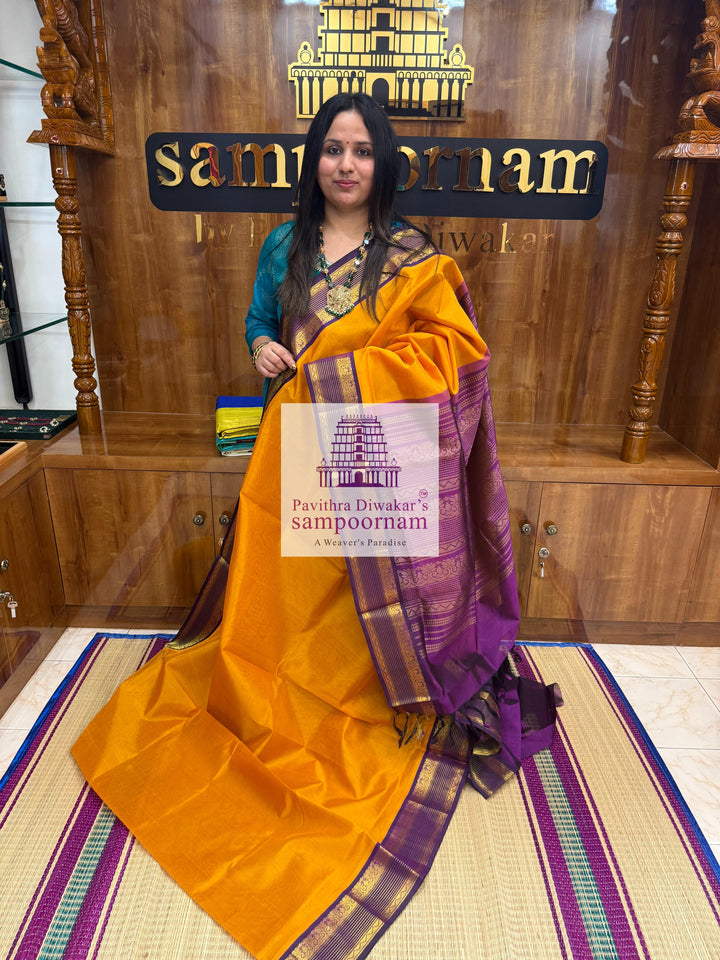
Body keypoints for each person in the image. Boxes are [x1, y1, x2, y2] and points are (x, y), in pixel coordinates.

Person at [72, 93, 558, 960]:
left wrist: (355, 379)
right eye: (331, 149)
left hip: (381, 455)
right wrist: (264, 347)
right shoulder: (283, 246)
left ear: (384, 163)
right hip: (297, 449)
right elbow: (264, 322)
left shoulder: (412, 258)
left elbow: (456, 357)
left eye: (361, 151)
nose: (345, 165)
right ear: (314, 161)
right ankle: (286, 706)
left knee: (368, 604)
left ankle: (371, 703)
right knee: (296, 603)